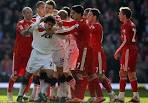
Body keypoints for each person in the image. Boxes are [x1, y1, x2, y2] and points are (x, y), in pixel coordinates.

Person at [87, 8, 115, 103]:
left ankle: (111, 94)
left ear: (94, 16)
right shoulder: (91, 25)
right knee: (91, 75)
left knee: (100, 76)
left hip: (97, 53)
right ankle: (94, 97)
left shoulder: (97, 26)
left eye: (89, 15)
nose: (88, 16)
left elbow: (87, 28)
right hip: (91, 53)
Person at [7, 7, 35, 103]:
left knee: (29, 75)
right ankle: (9, 93)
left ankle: (23, 95)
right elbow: (23, 33)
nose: (29, 14)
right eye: (27, 13)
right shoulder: (20, 24)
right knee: (15, 75)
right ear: (23, 14)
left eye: (30, 12)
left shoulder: (35, 23)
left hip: (30, 54)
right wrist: (31, 29)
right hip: (19, 54)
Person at [114, 7, 140, 102]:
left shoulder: (126, 25)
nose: (118, 15)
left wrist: (117, 51)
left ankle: (121, 97)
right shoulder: (131, 24)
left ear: (124, 15)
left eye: (120, 13)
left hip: (128, 50)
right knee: (131, 74)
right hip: (132, 50)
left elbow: (125, 41)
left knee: (123, 73)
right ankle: (136, 96)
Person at [29, 1, 46, 102]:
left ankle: (38, 94)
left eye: (45, 7)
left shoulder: (48, 19)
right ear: (38, 9)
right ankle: (34, 95)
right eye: (42, 7)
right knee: (36, 73)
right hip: (37, 49)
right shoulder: (34, 19)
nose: (44, 9)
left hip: (47, 49)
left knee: (44, 73)